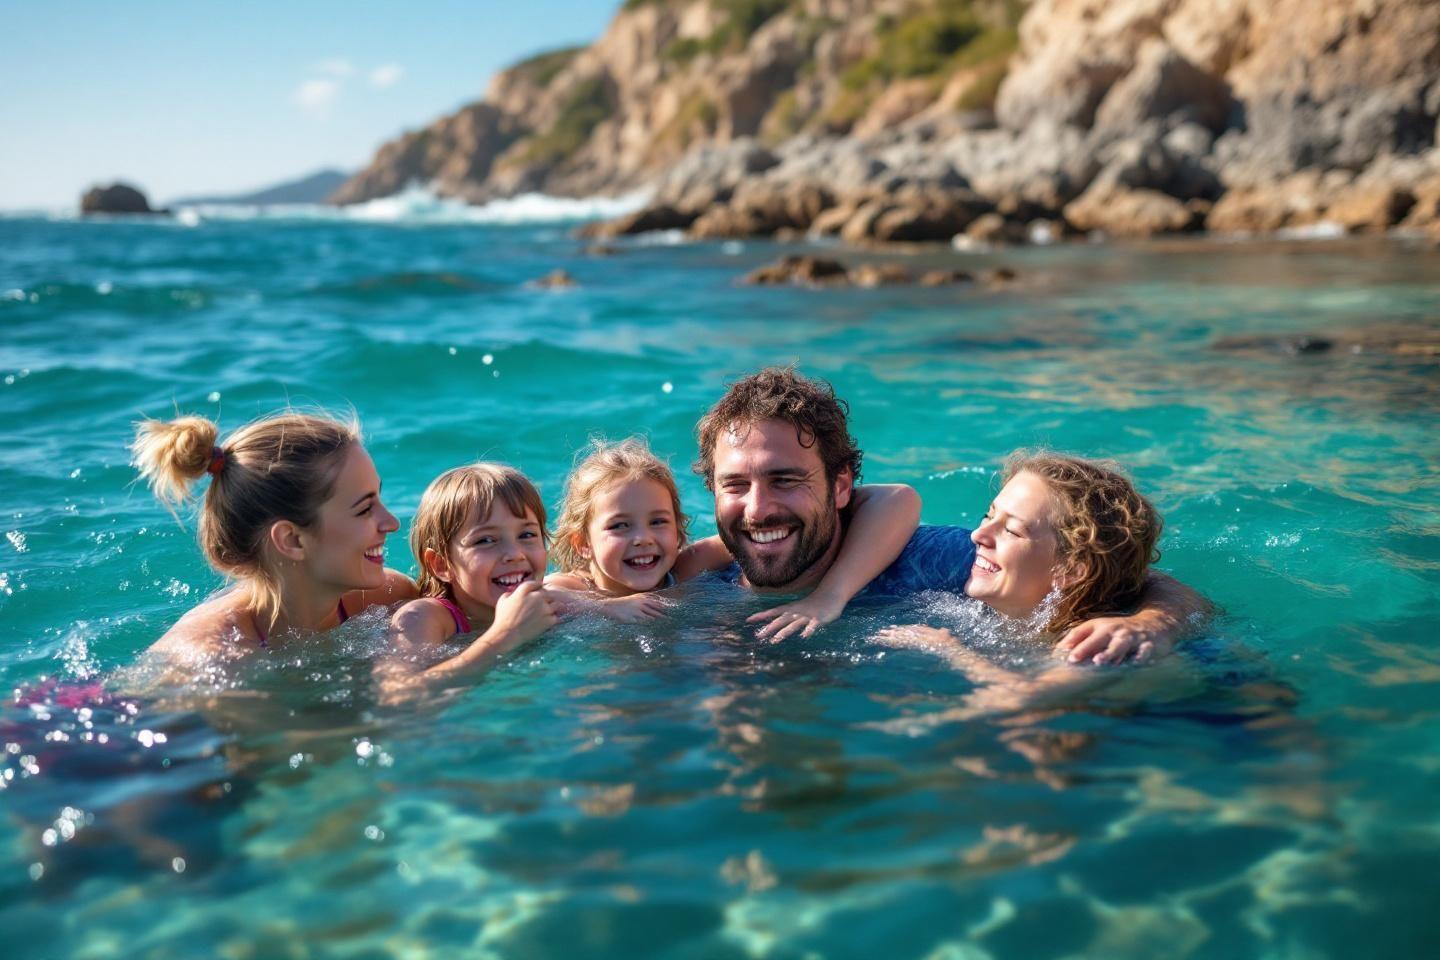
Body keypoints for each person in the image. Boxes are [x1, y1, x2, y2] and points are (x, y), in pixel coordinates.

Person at [694, 368, 1207, 660]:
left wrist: (1151, 624)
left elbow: (1118, 571)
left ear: (842, 485)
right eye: (734, 485)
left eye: (786, 480)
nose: (758, 509)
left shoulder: (922, 561)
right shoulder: (686, 584)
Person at [545, 437, 922, 630]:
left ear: (679, 532)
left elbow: (897, 499)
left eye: (658, 522)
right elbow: (531, 601)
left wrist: (829, 596)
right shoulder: (575, 587)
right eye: (619, 526)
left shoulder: (684, 568)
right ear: (582, 544)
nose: (642, 537)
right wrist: (605, 608)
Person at [130, 411, 415, 661]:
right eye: (365, 509)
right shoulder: (217, 659)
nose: (391, 522)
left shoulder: (388, 597)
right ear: (292, 540)